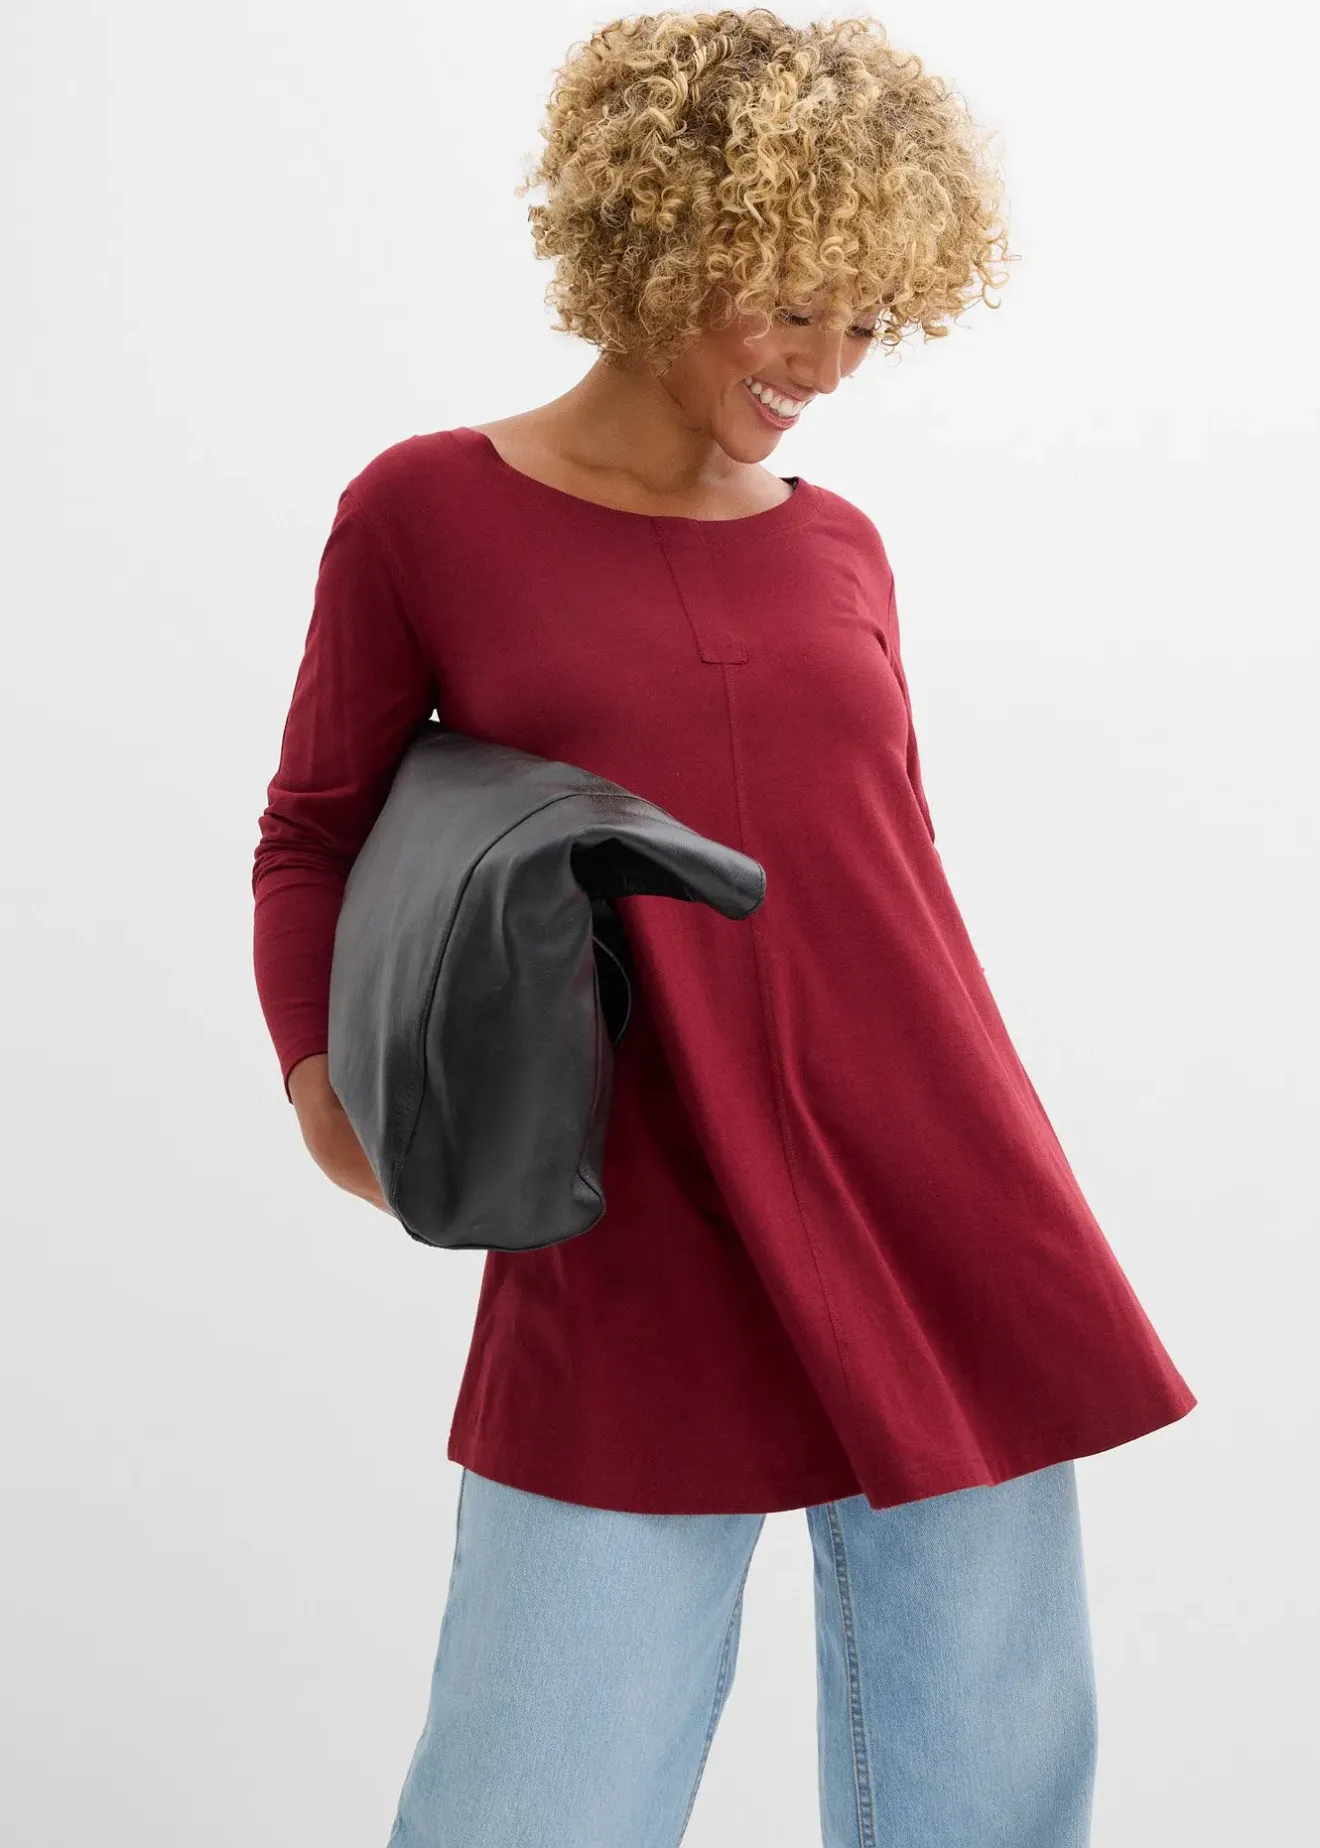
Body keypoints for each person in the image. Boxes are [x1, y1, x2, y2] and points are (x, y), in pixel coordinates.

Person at [251, 12, 1196, 1845]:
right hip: (624, 1198)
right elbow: (314, 834)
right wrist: (321, 1094)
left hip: (932, 1191)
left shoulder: (843, 544)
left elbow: (889, 873)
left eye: (870, 319)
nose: (827, 364)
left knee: (987, 1797)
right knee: (535, 1791)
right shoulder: (426, 510)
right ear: (660, 241)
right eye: (790, 303)